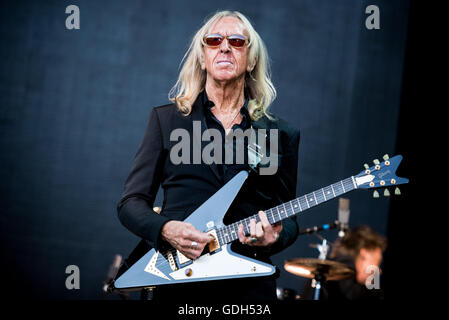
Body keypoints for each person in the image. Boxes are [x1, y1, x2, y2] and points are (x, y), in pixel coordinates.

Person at [116, 10, 300, 301]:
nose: (225, 47)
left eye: (238, 41)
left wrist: (275, 236)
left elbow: (288, 216)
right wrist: (166, 228)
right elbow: (130, 204)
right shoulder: (167, 121)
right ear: (203, 57)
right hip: (178, 284)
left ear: (251, 60)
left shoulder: (279, 134)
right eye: (214, 40)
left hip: (247, 286)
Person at [301, 226, 387, 300]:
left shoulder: (337, 265)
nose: (379, 271)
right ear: (365, 254)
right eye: (377, 263)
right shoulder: (343, 269)